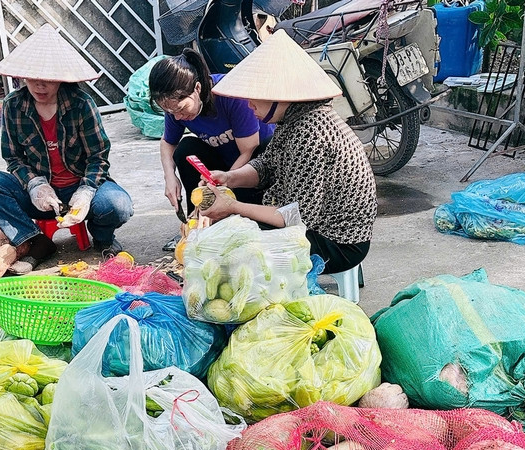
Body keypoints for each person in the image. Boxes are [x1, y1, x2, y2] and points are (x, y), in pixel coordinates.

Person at [191, 31, 376, 276]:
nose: (249, 105)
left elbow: (294, 216)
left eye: (255, 97)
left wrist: (233, 206)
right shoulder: (295, 120)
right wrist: (229, 177)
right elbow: (268, 165)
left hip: (337, 243)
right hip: (317, 222)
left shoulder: (310, 133)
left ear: (280, 95)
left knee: (231, 247)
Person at [0, 24, 132, 269]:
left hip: (78, 187)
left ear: (60, 78)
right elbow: (13, 157)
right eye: (32, 79)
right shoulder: (13, 105)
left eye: (47, 80)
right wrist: (35, 185)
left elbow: (98, 156)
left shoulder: (81, 104)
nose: (39, 86)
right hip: (39, 195)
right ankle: (35, 241)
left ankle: (103, 237)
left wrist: (86, 191)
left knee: (117, 206)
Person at [149, 49, 273, 248]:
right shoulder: (174, 109)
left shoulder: (230, 95)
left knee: (243, 220)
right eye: (171, 113)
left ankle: (229, 219)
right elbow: (168, 142)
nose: (177, 117)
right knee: (185, 149)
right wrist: (169, 177)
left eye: (181, 109)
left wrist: (221, 186)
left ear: (197, 88)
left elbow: (249, 150)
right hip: (223, 162)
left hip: (255, 164)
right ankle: (195, 224)